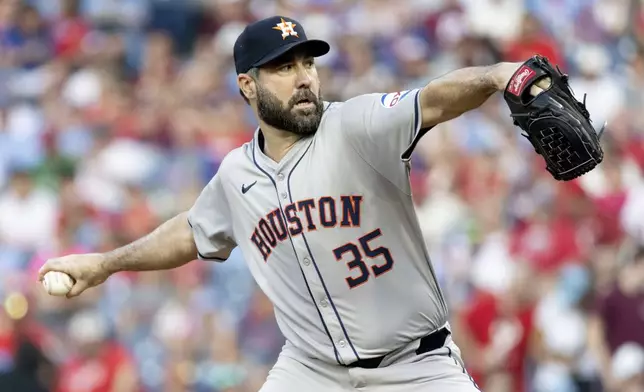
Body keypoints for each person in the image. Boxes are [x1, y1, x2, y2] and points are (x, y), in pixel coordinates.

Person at [39, 15, 529, 391]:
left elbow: (436, 99)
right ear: (247, 85)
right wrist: (105, 264)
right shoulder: (237, 173)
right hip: (312, 370)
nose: (303, 78)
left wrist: (496, 74)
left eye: (307, 63)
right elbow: (191, 231)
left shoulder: (355, 127)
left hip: (416, 365)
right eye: (283, 66)